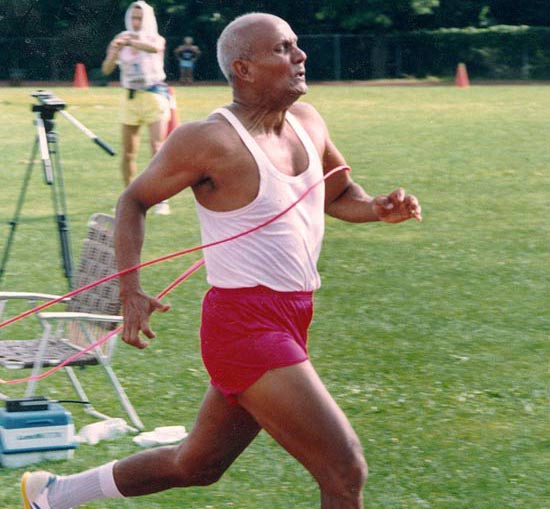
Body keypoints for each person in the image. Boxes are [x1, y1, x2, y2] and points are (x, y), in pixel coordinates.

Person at [21, 12, 422, 509]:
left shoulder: (308, 123)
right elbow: (134, 200)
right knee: (345, 470)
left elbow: (338, 194)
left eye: (296, 45)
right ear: (243, 69)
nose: (300, 56)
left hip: (294, 315)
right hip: (244, 327)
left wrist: (378, 209)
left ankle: (52, 495)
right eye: (283, 49)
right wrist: (130, 290)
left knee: (197, 464)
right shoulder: (209, 140)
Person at [102, 1, 171, 215]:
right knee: (128, 152)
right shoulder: (121, 38)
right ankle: (129, 200)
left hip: (154, 95)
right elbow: (106, 69)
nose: (136, 22)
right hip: (130, 98)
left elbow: (155, 48)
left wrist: (130, 42)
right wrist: (114, 52)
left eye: (140, 18)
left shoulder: (155, 38)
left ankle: (161, 199)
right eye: (133, 17)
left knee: (157, 149)